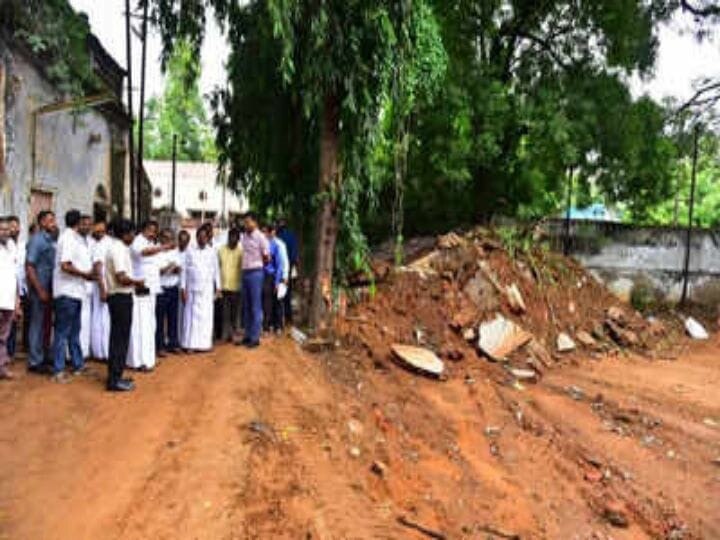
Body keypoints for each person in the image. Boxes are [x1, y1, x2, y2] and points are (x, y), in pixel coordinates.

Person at [51, 210, 95, 383]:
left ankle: (78, 364)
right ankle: (58, 370)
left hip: (75, 291)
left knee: (75, 331)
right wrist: (85, 275)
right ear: (78, 222)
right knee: (62, 332)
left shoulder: (76, 238)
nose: (88, 226)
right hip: (66, 291)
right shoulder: (68, 238)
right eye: (85, 222)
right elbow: (65, 265)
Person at [105, 219, 144, 392]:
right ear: (126, 234)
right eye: (132, 233)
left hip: (120, 297)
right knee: (119, 339)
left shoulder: (119, 248)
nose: (134, 237)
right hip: (120, 297)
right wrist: (137, 282)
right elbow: (121, 277)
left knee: (119, 338)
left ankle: (117, 375)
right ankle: (114, 380)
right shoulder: (118, 249)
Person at [127, 220, 167, 371]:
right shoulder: (138, 241)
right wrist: (162, 247)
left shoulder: (151, 243)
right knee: (140, 325)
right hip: (141, 289)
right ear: (143, 229)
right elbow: (142, 253)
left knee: (150, 324)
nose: (153, 233)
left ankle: (149, 358)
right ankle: (139, 361)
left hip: (152, 289)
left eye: (154, 230)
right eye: (150, 230)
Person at [25, 210, 57, 374]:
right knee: (37, 324)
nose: (54, 223)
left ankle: (45, 356)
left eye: (54, 220)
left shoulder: (51, 240)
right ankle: (35, 361)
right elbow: (30, 266)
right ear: (42, 223)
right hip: (40, 289)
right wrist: (39, 289)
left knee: (46, 324)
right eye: (50, 220)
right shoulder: (37, 240)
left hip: (50, 288)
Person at [180, 226, 220, 352]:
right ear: (196, 238)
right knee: (191, 319)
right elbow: (184, 271)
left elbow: (216, 270)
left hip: (207, 291)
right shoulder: (189, 251)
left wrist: (218, 287)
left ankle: (204, 345)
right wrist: (183, 289)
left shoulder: (212, 252)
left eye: (205, 237)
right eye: (200, 237)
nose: (202, 239)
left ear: (208, 238)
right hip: (192, 290)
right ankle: (189, 345)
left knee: (206, 318)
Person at [240, 212, 269, 348]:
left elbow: (267, 257)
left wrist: (259, 265)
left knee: (255, 306)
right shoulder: (244, 236)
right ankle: (247, 335)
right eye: (245, 222)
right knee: (246, 306)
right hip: (245, 273)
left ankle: (255, 338)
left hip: (256, 273)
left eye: (248, 222)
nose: (246, 224)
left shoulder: (261, 237)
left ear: (255, 223)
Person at [0, 217, 21, 380]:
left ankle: (1, 367)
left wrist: (16, 301)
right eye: (2, 229)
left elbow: (15, 275)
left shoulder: (12, 246)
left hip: (8, 299)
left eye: (7, 229)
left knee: (3, 337)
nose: (5, 232)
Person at [156, 229, 181, 355]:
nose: (167, 240)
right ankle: (160, 346)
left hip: (173, 287)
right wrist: (170, 267)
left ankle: (173, 343)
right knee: (159, 319)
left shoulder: (175, 252)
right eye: (165, 237)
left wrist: (169, 268)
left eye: (170, 238)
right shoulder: (156, 251)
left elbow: (179, 269)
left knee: (173, 317)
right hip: (161, 288)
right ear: (160, 238)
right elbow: (158, 272)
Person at [90, 220, 113, 361]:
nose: (99, 233)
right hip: (101, 285)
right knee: (101, 318)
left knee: (106, 318)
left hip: (109, 284)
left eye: (101, 231)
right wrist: (102, 288)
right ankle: (101, 351)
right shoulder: (98, 245)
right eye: (96, 231)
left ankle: (105, 350)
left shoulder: (108, 243)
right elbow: (98, 268)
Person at [217, 228, 243, 342]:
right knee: (224, 313)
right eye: (231, 238)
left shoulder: (241, 251)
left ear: (238, 239)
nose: (233, 240)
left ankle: (235, 334)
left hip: (237, 287)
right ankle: (225, 334)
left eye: (235, 239)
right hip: (224, 286)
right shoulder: (221, 250)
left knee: (235, 313)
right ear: (228, 237)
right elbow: (217, 267)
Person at [262, 224, 289, 333]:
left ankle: (278, 326)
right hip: (267, 275)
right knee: (267, 301)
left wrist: (280, 280)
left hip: (277, 275)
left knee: (278, 300)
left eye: (266, 231)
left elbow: (281, 264)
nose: (265, 234)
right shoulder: (265, 243)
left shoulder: (278, 244)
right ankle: (267, 325)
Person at [6, 215, 27, 359]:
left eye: (17, 226)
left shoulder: (22, 245)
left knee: (14, 322)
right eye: (12, 227)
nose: (15, 229)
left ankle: (10, 353)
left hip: (20, 289)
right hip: (6, 289)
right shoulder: (5, 246)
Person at [78, 214, 94, 360]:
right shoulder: (73, 241)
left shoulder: (91, 242)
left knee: (86, 320)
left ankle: (84, 351)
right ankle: (72, 354)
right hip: (76, 286)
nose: (87, 227)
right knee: (76, 322)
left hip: (88, 287)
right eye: (84, 224)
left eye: (89, 224)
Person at [276, 218, 299, 324]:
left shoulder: (277, 236)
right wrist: (293, 266)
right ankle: (288, 318)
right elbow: (294, 255)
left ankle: (279, 319)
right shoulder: (291, 236)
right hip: (288, 268)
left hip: (277, 269)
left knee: (277, 294)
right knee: (287, 293)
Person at [177, 230, 191, 346]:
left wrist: (184, 288)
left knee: (183, 315)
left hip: (185, 287)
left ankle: (183, 339)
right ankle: (175, 338)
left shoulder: (190, 253)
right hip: (172, 286)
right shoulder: (173, 252)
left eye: (185, 241)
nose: (183, 243)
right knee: (175, 315)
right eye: (181, 240)